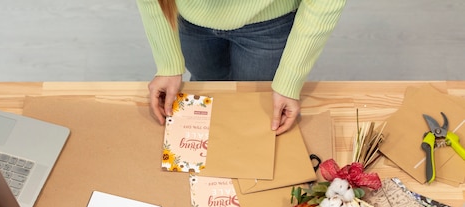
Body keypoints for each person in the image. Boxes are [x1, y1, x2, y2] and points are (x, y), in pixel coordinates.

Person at [136, 0, 347, 134]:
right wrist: (168, 62)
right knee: (206, 82)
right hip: (188, 20)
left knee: (256, 112)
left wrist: (289, 80)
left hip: (270, 20)